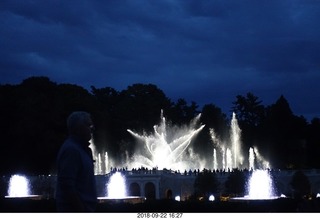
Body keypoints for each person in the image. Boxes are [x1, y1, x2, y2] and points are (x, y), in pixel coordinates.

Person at [55, 111, 97, 212]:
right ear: (78, 128)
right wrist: (81, 210)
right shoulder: (71, 150)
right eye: (88, 125)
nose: (92, 128)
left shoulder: (81, 149)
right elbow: (67, 185)